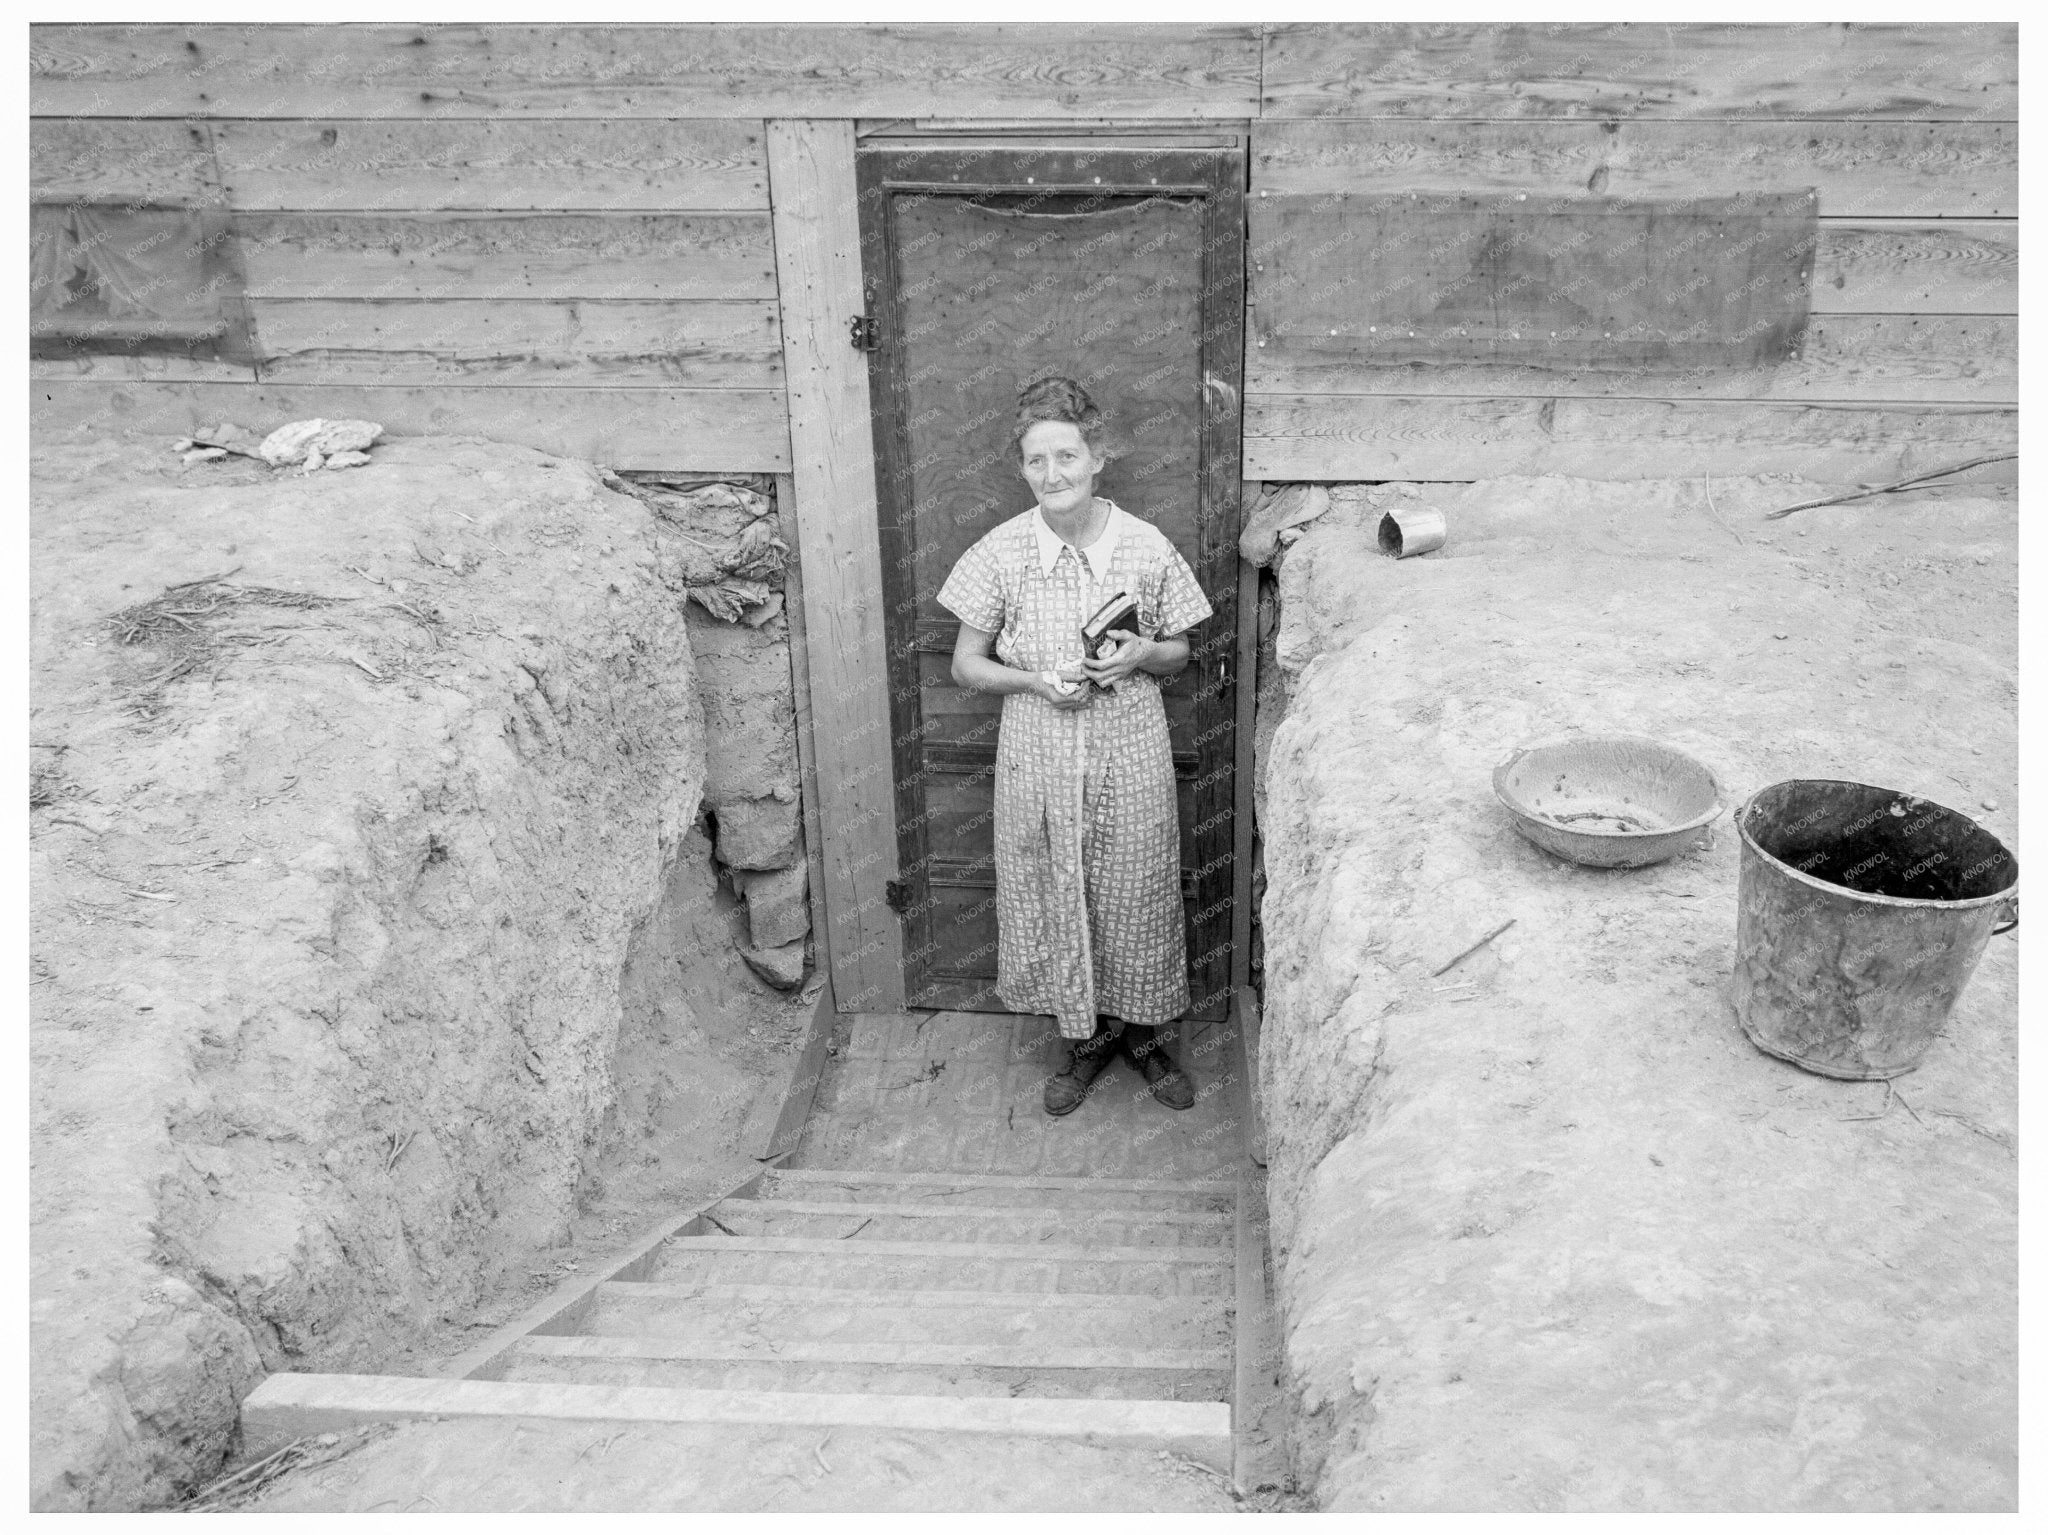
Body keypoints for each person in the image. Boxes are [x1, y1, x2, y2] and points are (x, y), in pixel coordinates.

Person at [936, 376, 1214, 1116]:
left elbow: (1181, 650)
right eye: (1037, 461)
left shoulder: (1145, 545)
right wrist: (1032, 679)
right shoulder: (1002, 553)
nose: (1053, 474)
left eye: (1068, 456)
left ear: (1098, 458)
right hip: (1039, 747)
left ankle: (1147, 1036)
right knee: (1056, 885)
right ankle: (1084, 1040)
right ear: (1022, 469)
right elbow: (966, 663)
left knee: (1139, 886)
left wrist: (1138, 654)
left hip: (1130, 746)